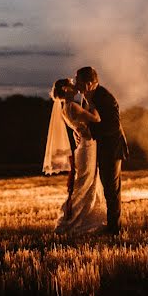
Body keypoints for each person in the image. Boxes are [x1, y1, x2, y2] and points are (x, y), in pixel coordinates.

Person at [48, 78, 106, 235]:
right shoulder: (72, 105)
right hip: (87, 146)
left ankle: (82, 218)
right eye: (71, 83)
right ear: (66, 89)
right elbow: (96, 119)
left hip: (83, 146)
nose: (75, 85)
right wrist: (91, 101)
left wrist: (77, 132)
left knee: (85, 183)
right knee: (85, 185)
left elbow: (77, 126)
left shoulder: (65, 108)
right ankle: (76, 221)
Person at [74, 66, 128, 235]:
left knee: (111, 189)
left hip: (111, 148)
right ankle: (105, 223)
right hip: (97, 148)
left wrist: (90, 132)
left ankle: (114, 229)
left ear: (89, 83)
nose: (76, 85)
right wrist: (79, 133)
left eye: (79, 81)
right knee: (102, 186)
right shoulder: (85, 97)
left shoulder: (105, 97)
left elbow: (112, 126)